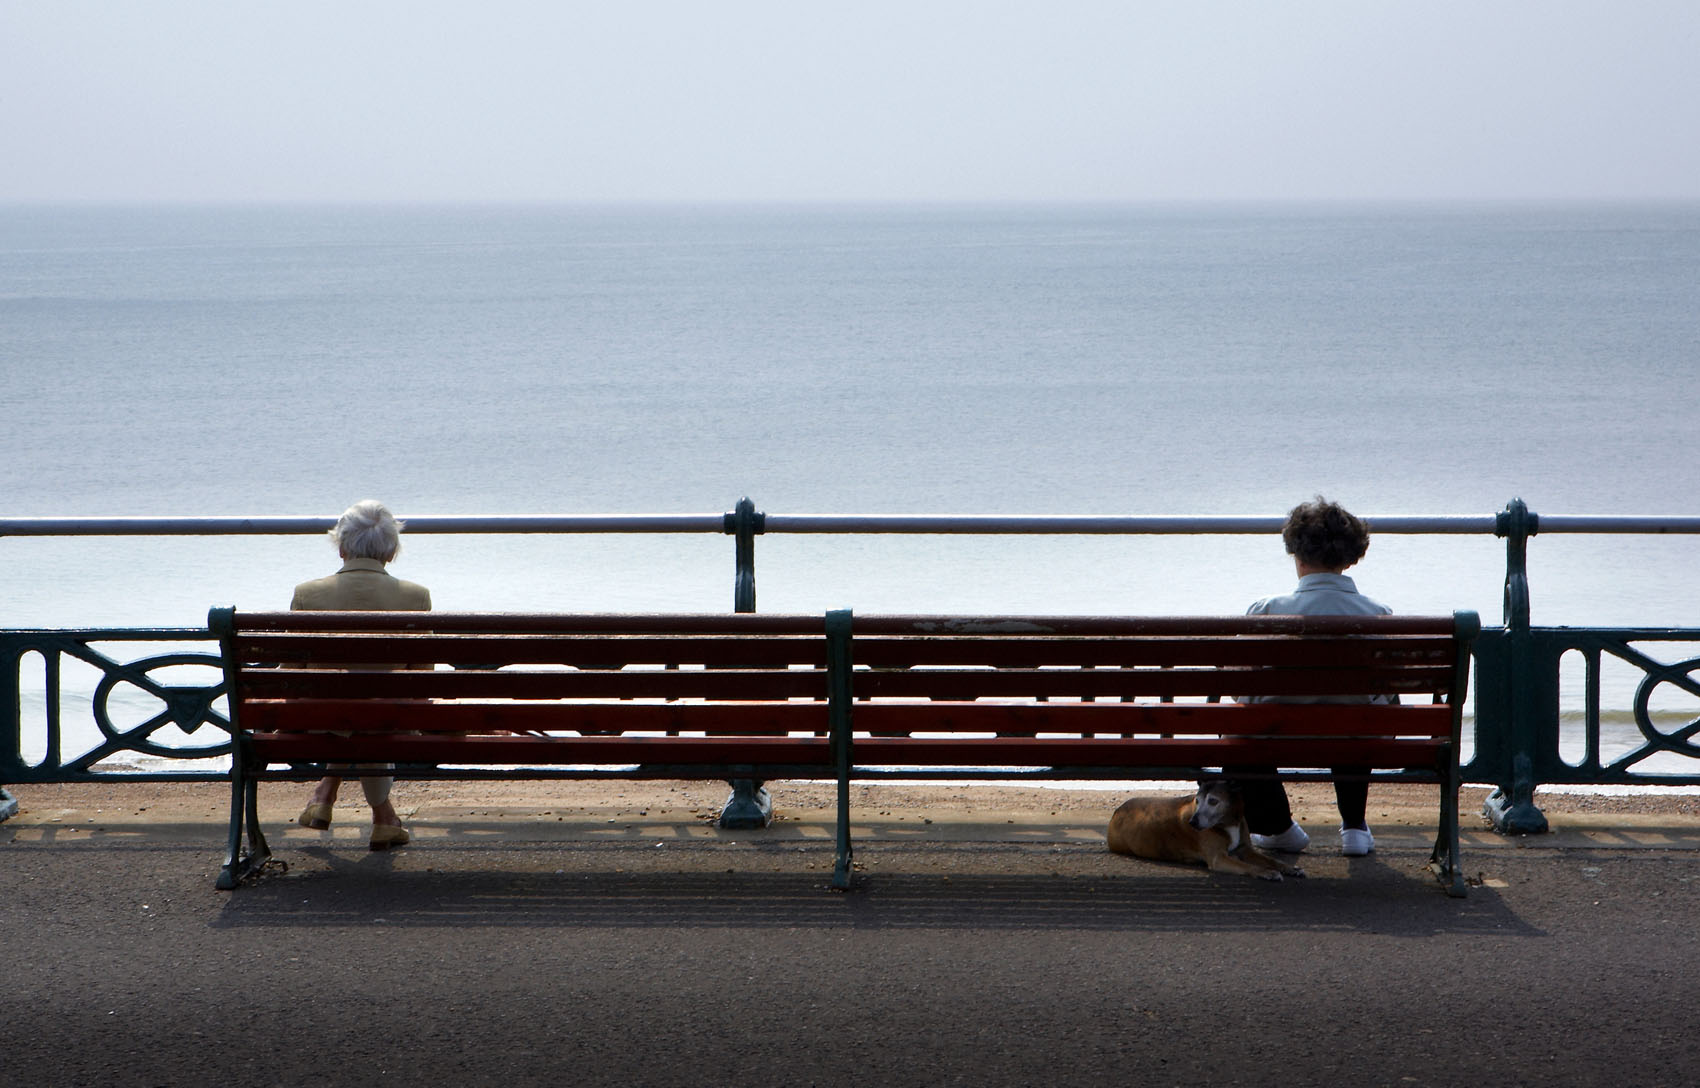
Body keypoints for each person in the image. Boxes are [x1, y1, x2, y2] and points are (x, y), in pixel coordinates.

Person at [1240, 497, 1389, 858]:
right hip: (1354, 735)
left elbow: (1241, 691)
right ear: (1352, 557)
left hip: (1277, 734)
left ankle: (1277, 828)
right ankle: (1354, 827)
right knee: (1358, 715)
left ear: (1296, 553)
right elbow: (1381, 693)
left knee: (1241, 728)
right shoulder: (1377, 615)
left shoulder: (1266, 612)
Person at [291, 499, 431, 850]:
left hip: (322, 718)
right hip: (388, 717)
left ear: (341, 548)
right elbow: (422, 674)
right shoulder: (416, 597)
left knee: (349, 706)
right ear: (391, 552)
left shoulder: (307, 595)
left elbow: (293, 672)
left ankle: (327, 791)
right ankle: (383, 817)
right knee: (375, 704)